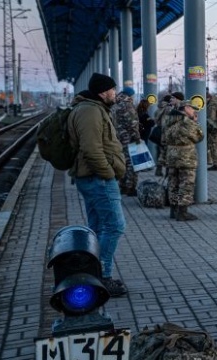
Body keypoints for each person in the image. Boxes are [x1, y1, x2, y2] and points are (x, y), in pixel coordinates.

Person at [67, 72, 128, 297]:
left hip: (92, 178)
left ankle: (93, 273)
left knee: (99, 227)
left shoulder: (92, 109)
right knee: (115, 226)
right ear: (103, 92)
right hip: (98, 179)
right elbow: (91, 149)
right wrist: (108, 173)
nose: (115, 93)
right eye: (112, 89)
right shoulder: (91, 111)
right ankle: (102, 276)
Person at [164, 99, 204, 221]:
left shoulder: (169, 120)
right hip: (186, 157)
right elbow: (199, 136)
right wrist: (196, 122)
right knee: (186, 184)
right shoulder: (187, 123)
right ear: (186, 108)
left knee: (173, 183)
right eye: (192, 109)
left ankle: (173, 210)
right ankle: (183, 212)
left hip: (171, 156)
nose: (194, 112)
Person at [111, 86, 141, 196]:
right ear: (130, 95)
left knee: (122, 162)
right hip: (128, 139)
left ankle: (122, 186)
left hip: (117, 138)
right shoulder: (127, 105)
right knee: (132, 164)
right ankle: (130, 187)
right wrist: (137, 138)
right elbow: (132, 124)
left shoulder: (114, 104)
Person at [152, 94, 173, 176]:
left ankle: (158, 169)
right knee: (167, 152)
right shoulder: (169, 109)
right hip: (166, 132)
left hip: (159, 131)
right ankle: (168, 171)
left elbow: (156, 119)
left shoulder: (159, 108)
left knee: (159, 151)